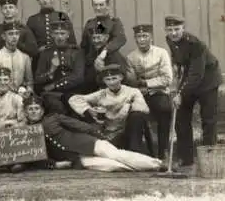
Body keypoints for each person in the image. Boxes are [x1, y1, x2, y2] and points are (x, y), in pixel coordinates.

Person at [24, 95, 162, 172]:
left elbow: (82, 126)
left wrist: (101, 138)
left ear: (42, 111)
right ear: (25, 112)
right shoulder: (25, 133)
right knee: (112, 166)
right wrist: (54, 165)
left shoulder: (54, 118)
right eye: (30, 109)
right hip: (75, 158)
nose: (34, 111)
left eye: (37, 108)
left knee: (116, 154)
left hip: (88, 143)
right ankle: (143, 168)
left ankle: (158, 165)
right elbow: (34, 157)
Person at [164, 15, 223, 170]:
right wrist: (176, 80)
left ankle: (210, 160)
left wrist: (181, 94)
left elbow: (196, 74)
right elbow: (179, 62)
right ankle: (186, 158)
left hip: (208, 81)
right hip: (190, 79)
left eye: (177, 29)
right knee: (181, 117)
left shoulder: (196, 44)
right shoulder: (170, 40)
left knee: (208, 120)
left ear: (183, 28)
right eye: (170, 29)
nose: (173, 33)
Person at [68, 64, 152, 154]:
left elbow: (144, 108)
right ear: (104, 81)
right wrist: (88, 110)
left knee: (137, 116)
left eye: (114, 78)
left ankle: (135, 151)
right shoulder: (101, 94)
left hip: (128, 130)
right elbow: (74, 99)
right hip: (110, 132)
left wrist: (128, 106)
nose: (111, 82)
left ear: (121, 77)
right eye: (108, 79)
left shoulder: (132, 91)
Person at [126, 24, 173, 161]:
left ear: (151, 38)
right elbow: (132, 81)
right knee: (135, 114)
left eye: (145, 36)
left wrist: (146, 83)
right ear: (135, 39)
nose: (142, 40)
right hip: (140, 94)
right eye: (139, 37)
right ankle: (136, 153)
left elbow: (167, 79)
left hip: (159, 92)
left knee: (164, 110)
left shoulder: (161, 53)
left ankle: (163, 151)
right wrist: (140, 85)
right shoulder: (131, 57)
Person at [34, 20, 84, 114]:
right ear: (52, 35)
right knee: (57, 108)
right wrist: (51, 71)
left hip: (72, 92)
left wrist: (55, 85)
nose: (59, 37)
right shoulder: (46, 53)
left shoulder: (76, 52)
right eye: (56, 33)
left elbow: (78, 77)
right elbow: (38, 78)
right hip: (52, 95)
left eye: (62, 33)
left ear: (68, 35)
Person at [81, 0, 127, 91]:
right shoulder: (89, 24)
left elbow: (120, 39)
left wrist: (104, 53)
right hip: (92, 66)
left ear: (108, 5)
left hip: (111, 63)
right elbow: (84, 46)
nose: (98, 8)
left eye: (101, 5)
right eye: (95, 5)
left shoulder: (114, 22)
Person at [26, 0, 76, 71]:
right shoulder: (32, 20)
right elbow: (30, 46)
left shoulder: (62, 16)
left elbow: (72, 42)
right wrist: (38, 50)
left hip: (62, 58)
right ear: (37, 0)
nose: (44, 0)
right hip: (40, 61)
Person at [82, 21, 128, 93]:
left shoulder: (113, 55)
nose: (96, 41)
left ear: (106, 37)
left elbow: (122, 79)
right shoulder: (92, 54)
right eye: (94, 38)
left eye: (98, 37)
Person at [0, 21, 34, 95]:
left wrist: (28, 91)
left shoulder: (25, 57)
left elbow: (29, 81)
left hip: (22, 94)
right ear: (4, 36)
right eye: (10, 34)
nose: (14, 37)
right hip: (2, 94)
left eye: (17, 33)